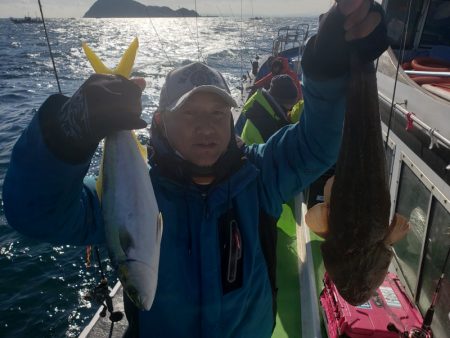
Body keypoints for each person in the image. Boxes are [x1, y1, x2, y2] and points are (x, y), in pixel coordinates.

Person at [2, 1, 389, 337]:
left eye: (218, 113)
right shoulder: (133, 194)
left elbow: (319, 141)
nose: (206, 127)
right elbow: (35, 211)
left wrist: (325, 66)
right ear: (159, 121)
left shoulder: (260, 175)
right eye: (189, 113)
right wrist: (67, 134)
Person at [239, 74, 302, 145]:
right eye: (291, 103)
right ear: (282, 102)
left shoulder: (263, 107)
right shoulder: (268, 126)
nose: (293, 107)